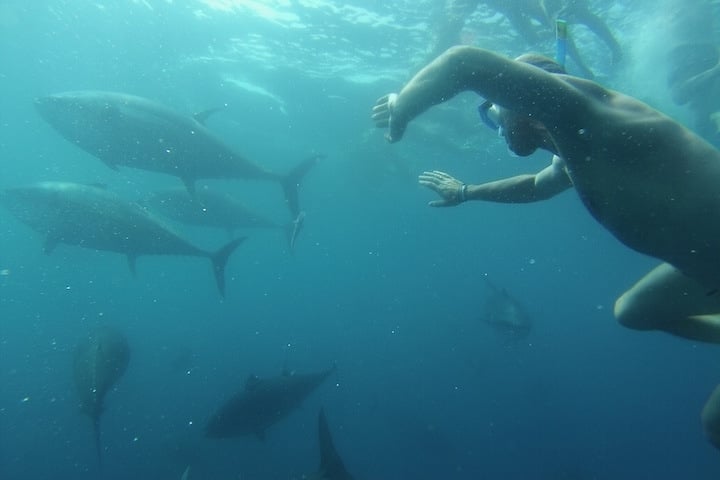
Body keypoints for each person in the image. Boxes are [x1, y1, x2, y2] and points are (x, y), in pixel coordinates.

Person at [371, 45, 720, 447]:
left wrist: (403, 106)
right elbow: (536, 186)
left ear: (525, 97)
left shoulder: (584, 111)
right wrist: (466, 191)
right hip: (705, 269)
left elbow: (463, 62)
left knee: (717, 424)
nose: (497, 123)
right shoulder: (573, 145)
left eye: (496, 108)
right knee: (634, 312)